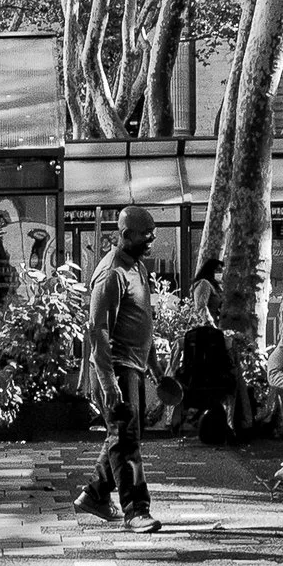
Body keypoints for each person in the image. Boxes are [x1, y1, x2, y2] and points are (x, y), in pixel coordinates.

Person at [74, 207, 166, 534]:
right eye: (146, 234)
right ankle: (136, 510)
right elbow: (97, 330)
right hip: (116, 367)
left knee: (122, 435)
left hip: (134, 366)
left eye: (153, 233)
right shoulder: (111, 273)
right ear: (126, 235)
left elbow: (142, 322)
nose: (152, 239)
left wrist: (155, 367)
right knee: (126, 440)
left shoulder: (137, 267)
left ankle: (96, 494)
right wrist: (107, 380)